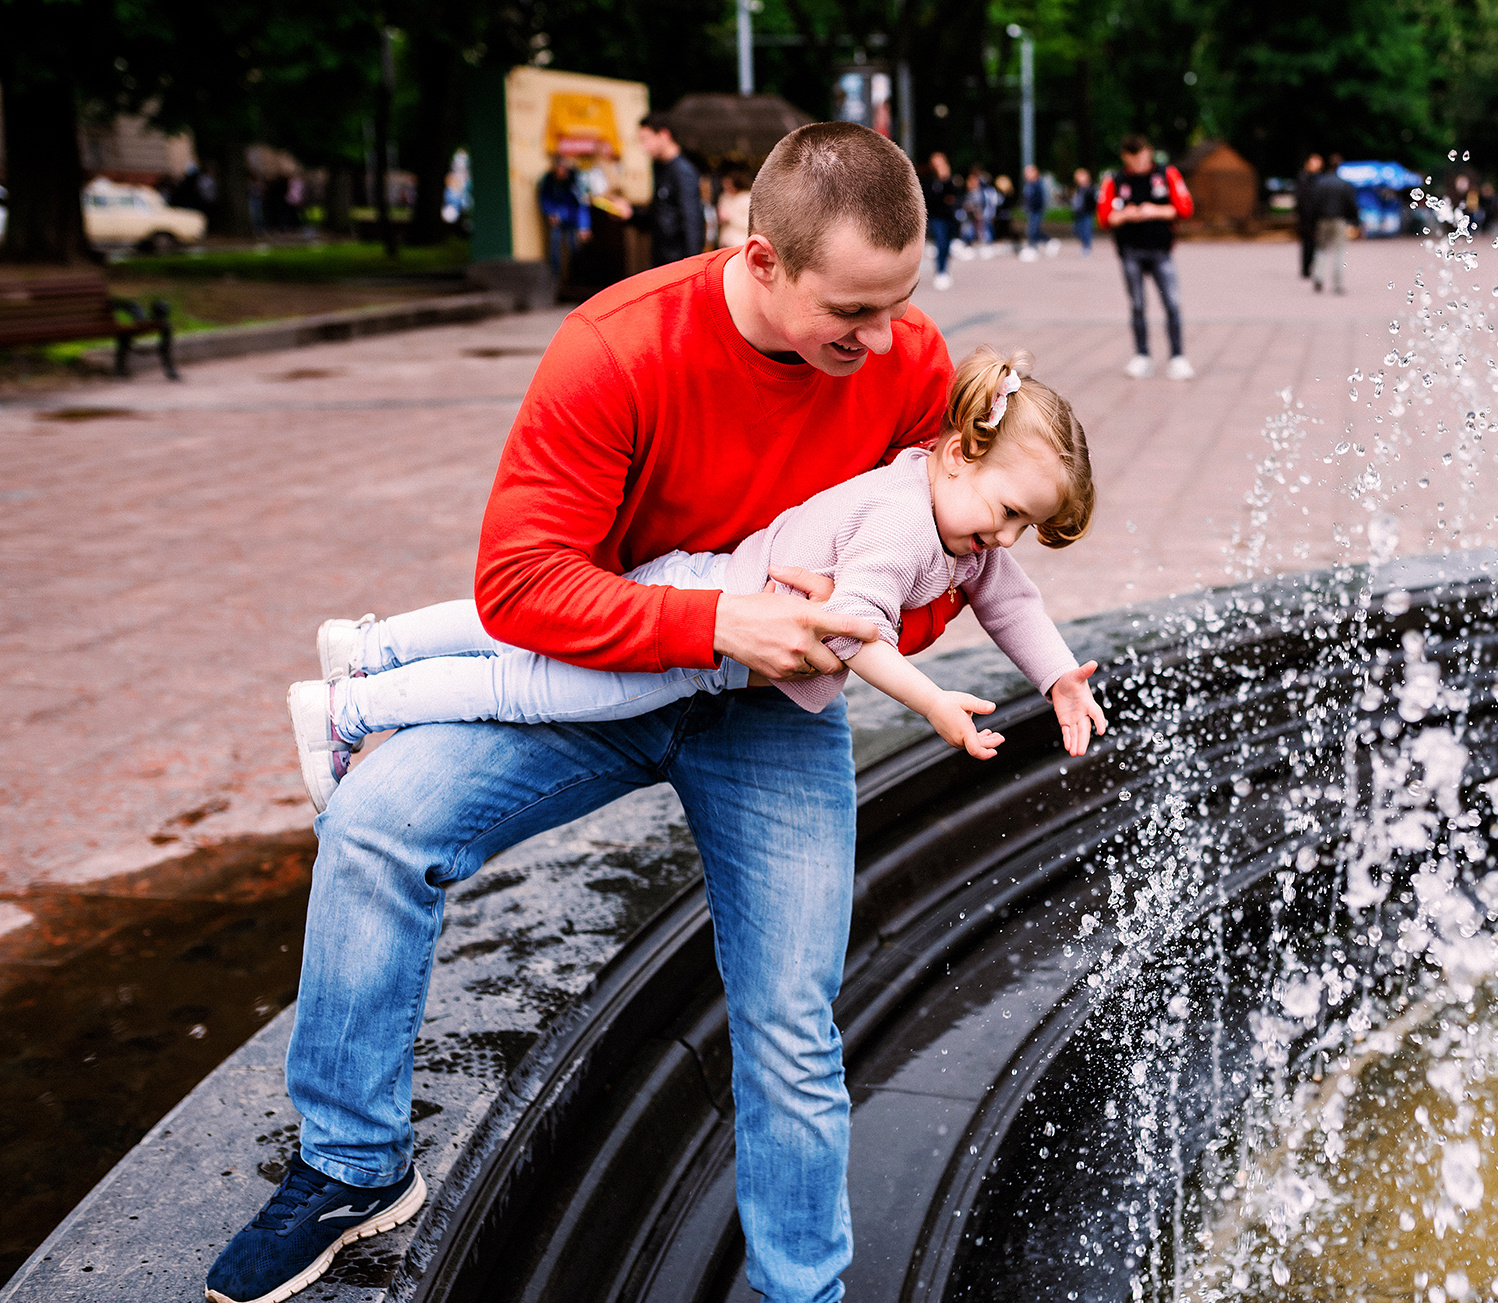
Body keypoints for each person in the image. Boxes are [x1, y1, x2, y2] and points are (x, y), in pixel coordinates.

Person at [205, 122, 955, 1303]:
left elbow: (948, 571)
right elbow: (517, 584)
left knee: (788, 1017)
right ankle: (352, 1163)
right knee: (380, 819)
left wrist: (854, 627)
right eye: (852, 313)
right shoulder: (618, 348)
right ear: (762, 257)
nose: (884, 344)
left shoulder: (911, 363)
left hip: (775, 709)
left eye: (901, 305)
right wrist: (716, 624)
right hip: (605, 675)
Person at [288, 344, 1107, 809]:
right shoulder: (903, 521)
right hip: (698, 639)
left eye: (1024, 526)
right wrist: (933, 703)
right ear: (959, 455)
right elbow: (855, 632)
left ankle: (375, 643)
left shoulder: (960, 524)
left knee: (518, 658)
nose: (1003, 538)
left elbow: (1012, 600)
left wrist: (1058, 674)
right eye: (1006, 511)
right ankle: (351, 708)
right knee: (527, 689)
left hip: (699, 594)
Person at [1101, 134, 1195, 380]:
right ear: (1125, 157)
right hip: (1130, 250)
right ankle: (1142, 355)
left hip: (1160, 250)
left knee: (1172, 303)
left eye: (1142, 154)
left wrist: (1156, 210)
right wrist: (1125, 215)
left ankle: (1178, 356)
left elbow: (1185, 208)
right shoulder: (1115, 179)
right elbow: (1105, 217)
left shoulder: (1167, 174)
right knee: (1138, 305)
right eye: (1133, 156)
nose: (1138, 161)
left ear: (1149, 152)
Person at [601, 113, 705, 267]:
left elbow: (693, 221)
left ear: (664, 135)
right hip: (662, 261)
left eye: (645, 139)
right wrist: (631, 214)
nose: (643, 147)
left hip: (678, 263)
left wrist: (692, 267)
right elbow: (659, 216)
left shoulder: (682, 171)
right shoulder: (660, 168)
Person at [1304, 154, 1359, 294]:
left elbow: (1313, 204)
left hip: (1322, 220)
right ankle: (1337, 284)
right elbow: (1351, 204)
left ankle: (1318, 276)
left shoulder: (1320, 183)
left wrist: (1311, 223)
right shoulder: (1344, 184)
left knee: (1321, 249)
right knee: (1338, 252)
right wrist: (1355, 221)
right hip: (1339, 220)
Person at [536, 155, 592, 284]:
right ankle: (555, 279)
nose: (561, 173)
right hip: (558, 219)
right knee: (555, 247)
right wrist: (550, 212)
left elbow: (582, 205)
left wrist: (584, 226)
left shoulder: (576, 181)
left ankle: (576, 279)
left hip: (573, 219)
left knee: (575, 249)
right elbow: (545, 198)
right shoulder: (549, 180)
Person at [921, 152, 961, 287]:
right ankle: (941, 271)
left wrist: (946, 179)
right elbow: (930, 198)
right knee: (941, 242)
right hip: (936, 217)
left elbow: (954, 196)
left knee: (947, 245)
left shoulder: (949, 179)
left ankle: (945, 269)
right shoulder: (929, 180)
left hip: (949, 216)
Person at [1294, 153, 1324, 280]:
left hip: (1316, 217)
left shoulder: (1319, 179)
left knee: (1315, 244)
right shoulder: (1304, 178)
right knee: (1307, 243)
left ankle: (1312, 267)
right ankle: (1306, 268)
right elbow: (1301, 199)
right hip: (1306, 217)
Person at [717, 165, 752, 250]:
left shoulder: (746, 198)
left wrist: (730, 218)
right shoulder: (724, 197)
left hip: (739, 242)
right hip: (724, 242)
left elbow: (749, 224)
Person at [1068, 167, 1096, 256]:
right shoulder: (1079, 188)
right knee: (1076, 230)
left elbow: (1093, 201)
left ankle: (1086, 247)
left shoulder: (1090, 188)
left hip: (1087, 212)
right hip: (1078, 213)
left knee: (1086, 230)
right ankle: (1085, 245)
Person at [1021, 164, 1047, 255]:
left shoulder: (1038, 184)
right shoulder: (1028, 185)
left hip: (1036, 210)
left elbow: (1040, 199)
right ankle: (1033, 245)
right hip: (1030, 210)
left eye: (1028, 173)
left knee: (1033, 229)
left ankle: (1037, 245)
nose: (1026, 175)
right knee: (1030, 229)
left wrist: (1035, 208)